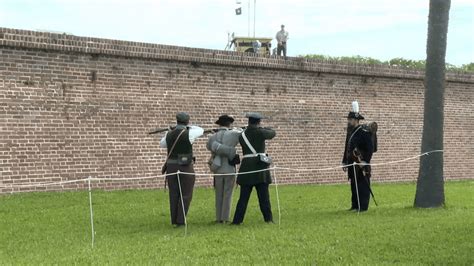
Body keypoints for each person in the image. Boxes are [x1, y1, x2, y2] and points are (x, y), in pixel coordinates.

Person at [160, 112, 204, 226]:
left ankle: (174, 220)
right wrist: (189, 127)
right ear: (187, 121)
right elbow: (201, 130)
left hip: (171, 167)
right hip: (185, 166)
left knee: (173, 194)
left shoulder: (169, 134)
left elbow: (162, 144)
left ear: (177, 120)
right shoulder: (189, 133)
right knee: (186, 194)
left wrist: (170, 130)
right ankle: (180, 220)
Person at [232, 112, 276, 225]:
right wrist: (263, 128)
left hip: (246, 167)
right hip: (259, 167)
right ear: (258, 122)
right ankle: (268, 219)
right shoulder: (260, 132)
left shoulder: (242, 135)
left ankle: (237, 220)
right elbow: (272, 133)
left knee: (243, 198)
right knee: (264, 197)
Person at [207, 115, 243, 223]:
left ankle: (218, 218)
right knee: (228, 193)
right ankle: (225, 217)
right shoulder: (234, 133)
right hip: (229, 167)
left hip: (217, 167)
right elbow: (242, 134)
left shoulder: (213, 136)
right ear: (230, 124)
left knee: (218, 193)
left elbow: (209, 147)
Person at [342, 102, 374, 212]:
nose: (348, 121)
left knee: (362, 185)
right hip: (352, 163)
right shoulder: (350, 133)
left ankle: (363, 206)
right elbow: (347, 148)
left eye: (350, 119)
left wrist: (365, 161)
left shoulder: (363, 132)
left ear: (356, 120)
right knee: (354, 185)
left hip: (361, 164)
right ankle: (355, 205)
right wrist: (345, 161)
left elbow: (370, 148)